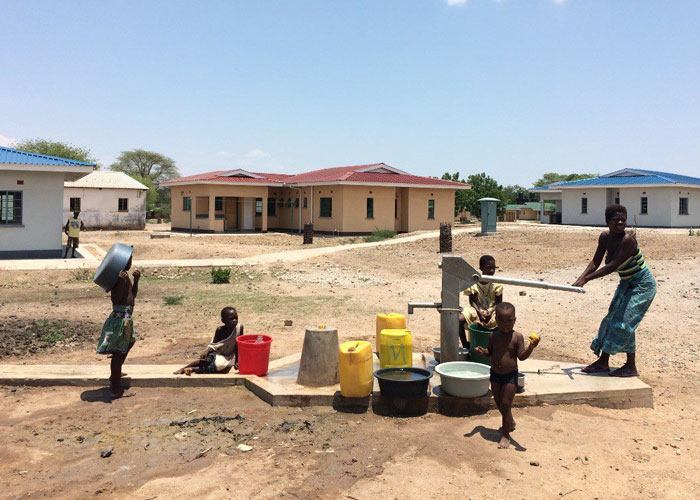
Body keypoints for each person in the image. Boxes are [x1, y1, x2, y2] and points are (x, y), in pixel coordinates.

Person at [573, 204, 656, 377]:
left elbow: (612, 266)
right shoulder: (604, 237)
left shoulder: (628, 240)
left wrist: (587, 279)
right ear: (607, 221)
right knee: (612, 319)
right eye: (615, 220)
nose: (620, 222)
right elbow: (595, 261)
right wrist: (580, 279)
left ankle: (630, 366)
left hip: (642, 284)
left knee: (625, 322)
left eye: (623, 220)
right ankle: (603, 362)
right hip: (627, 282)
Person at [474, 302, 539, 449]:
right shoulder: (493, 336)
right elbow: (490, 353)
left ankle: (505, 435)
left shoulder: (517, 337)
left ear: (515, 320)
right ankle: (510, 421)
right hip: (495, 375)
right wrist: (483, 351)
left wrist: (531, 347)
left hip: (510, 376)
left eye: (509, 321)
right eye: (502, 321)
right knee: (500, 404)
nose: (505, 324)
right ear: (496, 320)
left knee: (505, 404)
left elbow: (521, 356)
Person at [95, 255, 140, 398]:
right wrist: (120, 281)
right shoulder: (118, 278)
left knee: (129, 343)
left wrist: (136, 280)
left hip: (126, 319)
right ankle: (115, 388)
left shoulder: (124, 277)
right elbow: (116, 298)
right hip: (119, 320)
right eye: (128, 261)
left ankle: (116, 373)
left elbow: (132, 296)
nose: (130, 263)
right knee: (118, 352)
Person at [174, 307, 244, 375]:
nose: (234, 320)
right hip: (218, 352)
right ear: (223, 321)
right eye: (231, 319)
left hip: (228, 355)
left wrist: (237, 361)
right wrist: (207, 351)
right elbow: (214, 345)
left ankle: (193, 369)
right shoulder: (220, 330)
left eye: (236, 318)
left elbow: (238, 346)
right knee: (206, 361)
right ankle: (184, 368)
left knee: (223, 368)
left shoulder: (239, 328)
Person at [458, 255, 503, 349]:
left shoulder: (497, 284)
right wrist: (479, 312)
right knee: (459, 319)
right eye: (488, 268)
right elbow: (472, 301)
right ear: (481, 268)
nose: (491, 271)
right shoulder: (474, 282)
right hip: (476, 309)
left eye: (493, 268)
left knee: (505, 317)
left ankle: (499, 346)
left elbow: (499, 303)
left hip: (492, 309)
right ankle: (465, 344)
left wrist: (490, 312)